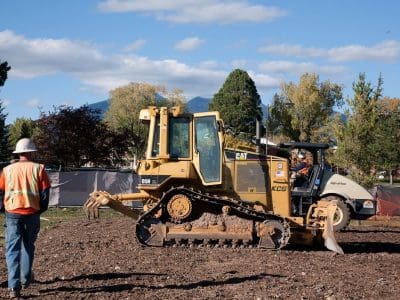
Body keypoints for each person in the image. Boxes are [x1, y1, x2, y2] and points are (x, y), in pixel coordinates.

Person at [0, 138, 50, 299]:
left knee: (12, 250)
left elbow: (0, 192)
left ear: (19, 152)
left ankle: (14, 287)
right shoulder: (39, 169)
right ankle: (25, 279)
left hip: (12, 214)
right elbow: (45, 194)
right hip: (32, 214)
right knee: (28, 246)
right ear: (30, 152)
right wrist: (39, 210)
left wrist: (3, 208)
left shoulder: (7, 170)